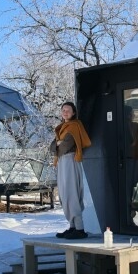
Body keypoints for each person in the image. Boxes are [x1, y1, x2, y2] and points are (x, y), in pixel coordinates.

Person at [51, 101, 91, 239]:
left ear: (73, 113)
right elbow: (52, 147)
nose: (65, 112)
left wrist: (58, 144)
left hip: (70, 160)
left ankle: (79, 228)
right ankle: (72, 226)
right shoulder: (62, 127)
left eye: (68, 110)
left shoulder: (73, 126)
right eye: (63, 110)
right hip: (63, 162)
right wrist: (57, 143)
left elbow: (65, 146)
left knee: (72, 193)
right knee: (64, 194)